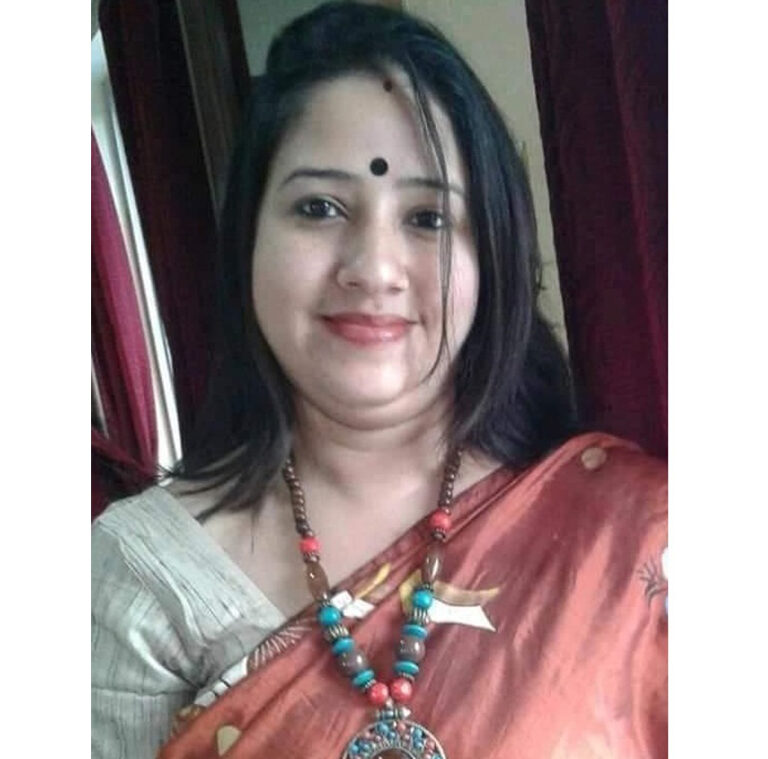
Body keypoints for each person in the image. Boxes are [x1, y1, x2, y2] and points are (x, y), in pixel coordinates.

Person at [91, 3, 667, 758]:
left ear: (493, 257)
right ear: (248, 239)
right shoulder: (144, 579)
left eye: (428, 219)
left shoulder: (619, 530)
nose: (372, 269)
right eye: (320, 207)